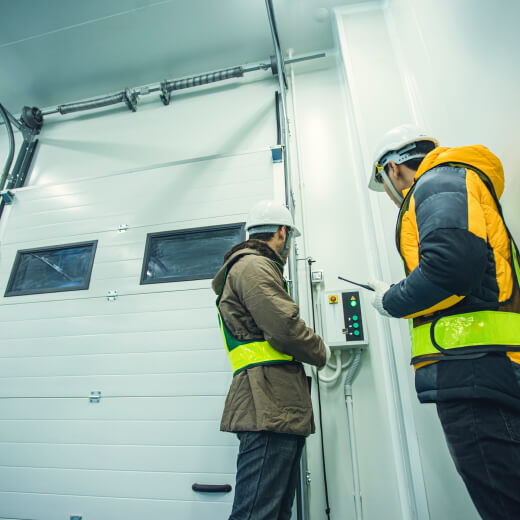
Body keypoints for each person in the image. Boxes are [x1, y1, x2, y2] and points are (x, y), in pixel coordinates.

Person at [367, 124, 520, 519]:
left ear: (394, 170)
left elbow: (451, 268)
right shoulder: (455, 183)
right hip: (489, 371)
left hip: (476, 374)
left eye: (384, 181)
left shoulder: (435, 184)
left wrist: (393, 300)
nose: (388, 192)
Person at [212, 200, 330, 520]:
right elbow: (284, 327)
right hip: (267, 404)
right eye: (290, 238)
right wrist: (321, 351)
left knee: (276, 512)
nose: (290, 247)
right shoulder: (253, 266)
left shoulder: (254, 268)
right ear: (282, 232)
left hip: (274, 403)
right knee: (258, 513)